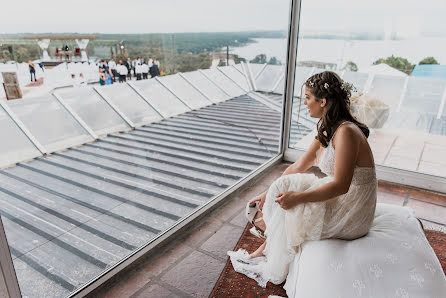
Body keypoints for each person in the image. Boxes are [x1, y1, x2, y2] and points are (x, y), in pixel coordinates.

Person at [228, 71, 377, 288]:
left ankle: (265, 250)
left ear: (323, 101)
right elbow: (299, 165)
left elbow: (342, 185)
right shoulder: (329, 128)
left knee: (295, 202)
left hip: (353, 209)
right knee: (283, 185)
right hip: (341, 194)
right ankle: (265, 248)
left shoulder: (346, 132)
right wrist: (266, 193)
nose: (305, 102)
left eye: (308, 97)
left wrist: (297, 198)